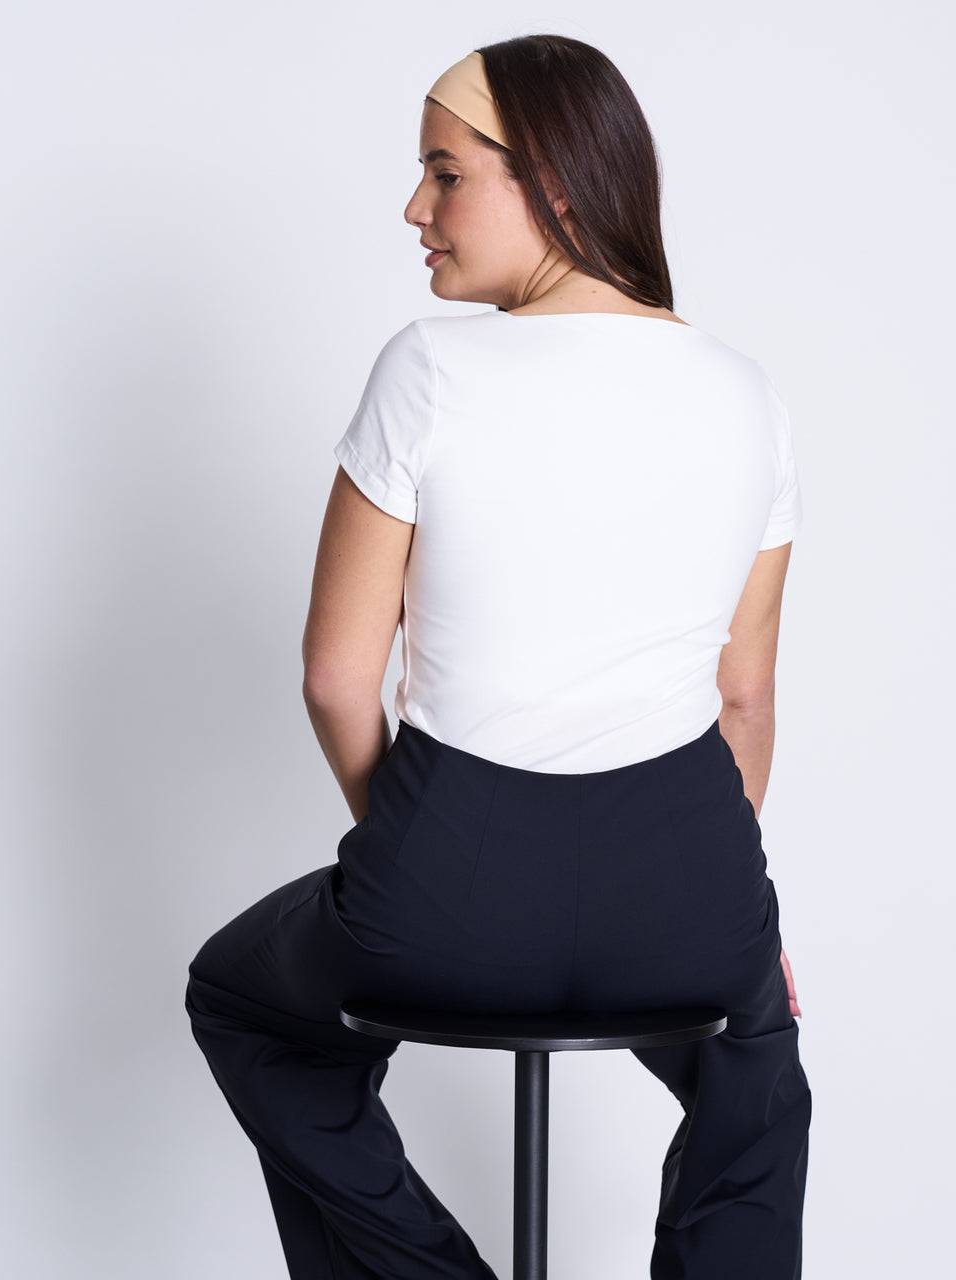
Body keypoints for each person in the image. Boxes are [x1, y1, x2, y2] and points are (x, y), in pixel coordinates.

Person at [185, 33, 812, 1280]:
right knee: (757, 1079)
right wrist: (729, 923)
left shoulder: (429, 368)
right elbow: (744, 698)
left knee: (239, 994)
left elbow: (333, 674)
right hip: (686, 890)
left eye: (444, 172)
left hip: (446, 891)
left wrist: (418, 856)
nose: (414, 207)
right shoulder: (746, 392)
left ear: (560, 183)